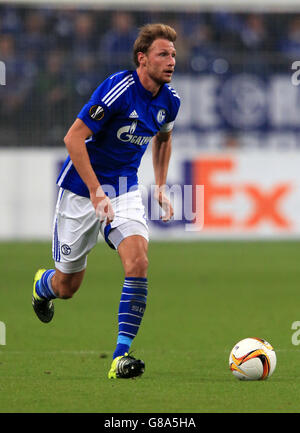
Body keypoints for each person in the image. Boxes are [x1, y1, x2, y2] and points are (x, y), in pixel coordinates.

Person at [32, 23, 180, 379]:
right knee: (67, 287)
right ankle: (42, 286)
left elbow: (163, 138)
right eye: (163, 54)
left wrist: (159, 185)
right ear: (142, 59)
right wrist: (97, 191)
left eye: (174, 54)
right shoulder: (118, 89)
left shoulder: (170, 101)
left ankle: (120, 356)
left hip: (124, 190)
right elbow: (73, 139)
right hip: (82, 193)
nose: (171, 60)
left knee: (138, 261)